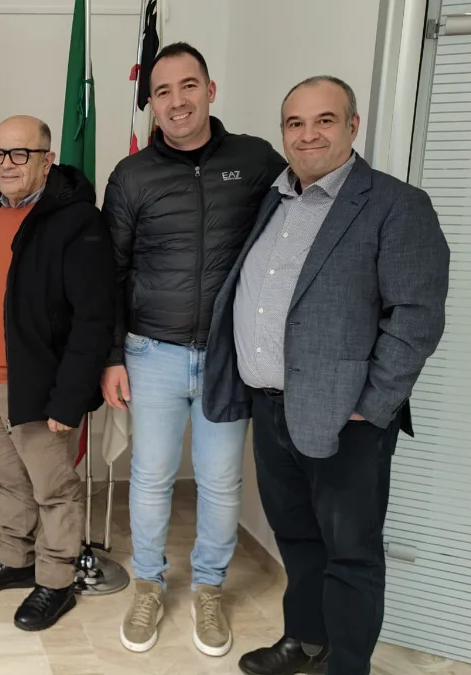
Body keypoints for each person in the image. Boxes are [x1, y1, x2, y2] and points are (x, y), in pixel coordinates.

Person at [203, 76, 449, 675]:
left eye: (325, 120)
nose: (308, 134)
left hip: (347, 419)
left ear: (353, 126)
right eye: (295, 123)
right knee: (296, 537)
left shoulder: (396, 204)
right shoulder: (275, 198)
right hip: (271, 409)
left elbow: (417, 316)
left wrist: (371, 405)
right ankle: (306, 641)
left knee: (351, 554)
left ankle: (347, 666)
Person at [99, 42, 286, 656]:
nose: (176, 101)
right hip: (150, 353)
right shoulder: (132, 176)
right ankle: (148, 584)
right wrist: (111, 356)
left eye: (187, 86)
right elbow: (111, 272)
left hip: (228, 358)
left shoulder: (257, 161)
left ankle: (208, 587)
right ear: (151, 104)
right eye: (162, 92)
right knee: (151, 477)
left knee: (221, 480)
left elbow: (287, 246)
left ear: (210, 89)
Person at [0, 115, 115, 632]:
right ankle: (16, 559)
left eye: (20, 154)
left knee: (53, 489)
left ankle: (57, 579)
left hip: (39, 388)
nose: (6, 164)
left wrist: (69, 399)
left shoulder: (76, 221)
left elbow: (93, 318)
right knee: (8, 482)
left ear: (47, 161)